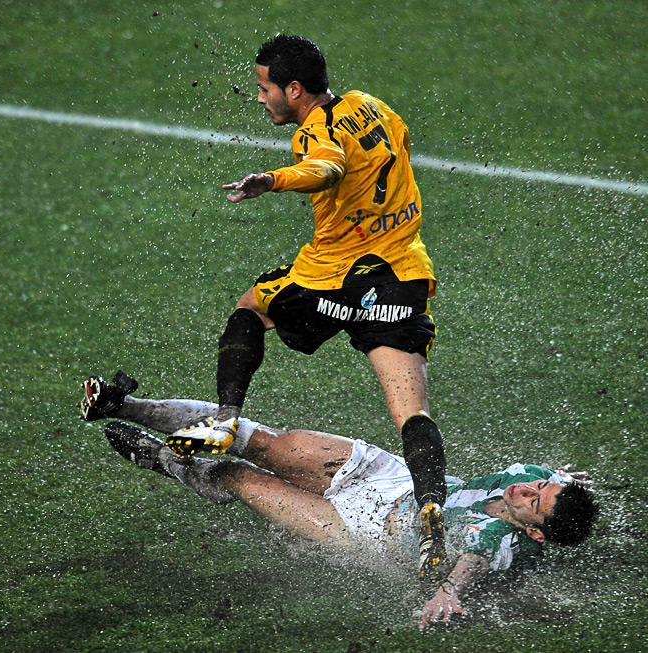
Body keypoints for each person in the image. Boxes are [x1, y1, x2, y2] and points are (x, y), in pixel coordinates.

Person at [171, 34, 447, 588]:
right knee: (411, 412)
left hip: (335, 278)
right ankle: (432, 521)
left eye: (264, 88)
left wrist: (271, 179)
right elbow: (392, 148)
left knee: (253, 306)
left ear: (294, 90)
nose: (260, 98)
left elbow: (325, 167)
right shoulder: (372, 106)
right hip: (401, 280)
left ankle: (225, 420)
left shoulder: (314, 131)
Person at [78, 372, 598, 630]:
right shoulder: (533, 478)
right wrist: (569, 483)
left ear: (534, 531)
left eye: (535, 502)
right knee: (262, 442)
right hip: (393, 480)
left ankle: (161, 459)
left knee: (241, 477)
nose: (525, 490)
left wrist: (447, 593)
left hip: (363, 532)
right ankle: (122, 404)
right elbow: (554, 483)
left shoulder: (499, 542)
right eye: (540, 487)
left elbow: (472, 563)